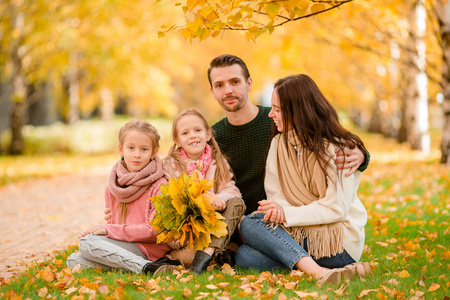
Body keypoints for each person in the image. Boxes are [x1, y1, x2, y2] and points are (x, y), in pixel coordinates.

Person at [234, 74, 370, 286]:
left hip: (339, 244)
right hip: (299, 235)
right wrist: (278, 211)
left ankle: (317, 270)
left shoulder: (339, 149)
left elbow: (336, 209)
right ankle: (319, 270)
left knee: (250, 224)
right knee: (244, 256)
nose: (271, 114)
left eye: (277, 109)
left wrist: (285, 214)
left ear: (298, 110)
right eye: (272, 107)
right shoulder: (279, 145)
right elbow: (276, 196)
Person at [208, 54, 370, 215]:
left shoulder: (278, 120)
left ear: (249, 83)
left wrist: (361, 155)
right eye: (219, 85)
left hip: (284, 216)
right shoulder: (211, 138)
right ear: (212, 91)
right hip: (238, 220)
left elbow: (324, 134)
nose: (228, 90)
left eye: (235, 82)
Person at [66, 120, 182, 274]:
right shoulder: (113, 186)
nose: (137, 155)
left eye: (144, 149)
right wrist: (104, 231)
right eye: (131, 148)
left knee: (87, 244)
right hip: (125, 244)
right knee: (73, 260)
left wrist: (107, 230)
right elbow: (115, 225)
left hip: (149, 248)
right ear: (121, 149)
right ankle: (144, 266)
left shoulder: (159, 185)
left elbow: (155, 231)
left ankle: (146, 267)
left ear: (154, 152)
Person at [162, 109, 246, 274]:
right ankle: (218, 253)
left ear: (208, 134)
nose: (193, 135)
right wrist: (205, 200)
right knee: (187, 250)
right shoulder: (171, 165)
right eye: (185, 133)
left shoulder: (218, 161)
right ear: (177, 140)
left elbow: (232, 190)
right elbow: (174, 198)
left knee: (237, 204)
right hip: (191, 227)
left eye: (197, 130)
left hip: (215, 222)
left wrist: (218, 198)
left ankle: (207, 255)